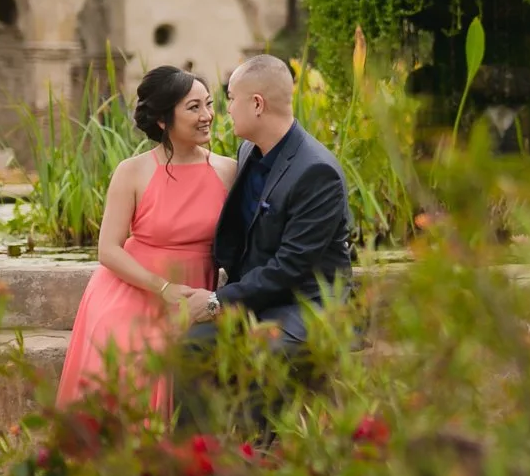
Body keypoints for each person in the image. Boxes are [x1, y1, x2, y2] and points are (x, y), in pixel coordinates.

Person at [177, 54, 353, 421]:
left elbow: (290, 267)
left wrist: (217, 301)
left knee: (263, 353)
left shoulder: (316, 172)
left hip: (305, 303)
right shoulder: (249, 151)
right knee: (192, 346)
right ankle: (196, 452)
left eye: (230, 98)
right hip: (259, 299)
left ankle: (259, 451)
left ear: (257, 104)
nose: (225, 109)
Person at [55, 66, 235, 419]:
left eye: (209, 104)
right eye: (194, 107)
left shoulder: (228, 170)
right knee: (130, 349)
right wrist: (163, 288)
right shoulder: (132, 171)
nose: (207, 116)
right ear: (164, 120)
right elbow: (108, 249)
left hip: (195, 293)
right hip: (134, 289)